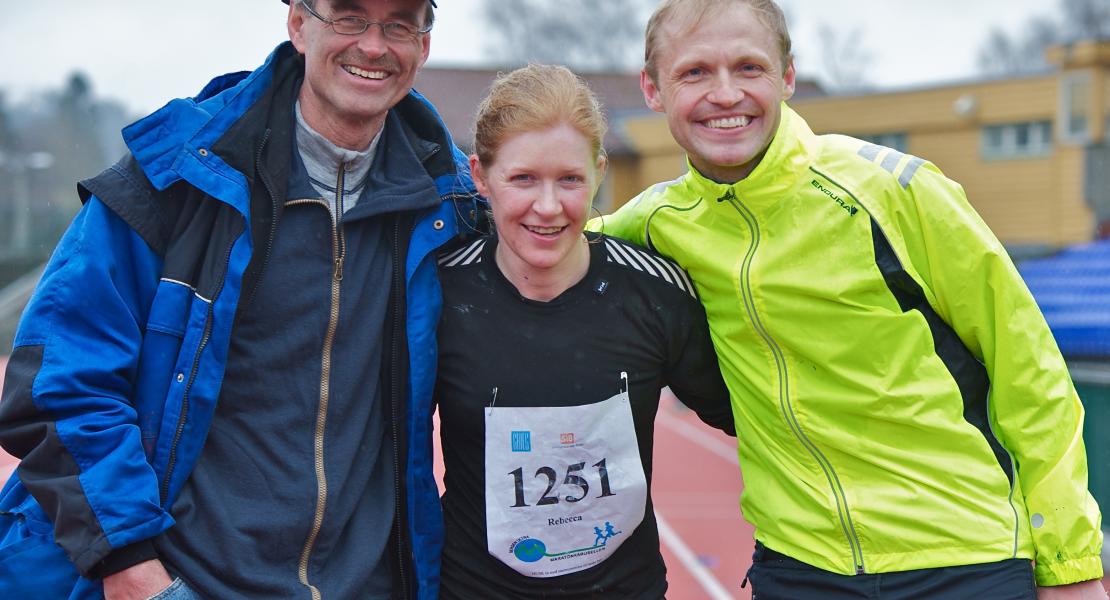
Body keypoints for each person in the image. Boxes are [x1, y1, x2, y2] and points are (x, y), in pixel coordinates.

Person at [596, 0, 1107, 598]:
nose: (726, 93)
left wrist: (1071, 563)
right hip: (800, 569)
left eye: (749, 68)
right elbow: (552, 238)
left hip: (964, 560)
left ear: (788, 76)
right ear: (652, 90)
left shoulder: (895, 189)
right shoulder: (657, 222)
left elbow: (1031, 370)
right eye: (694, 73)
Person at [0, 1, 480, 598]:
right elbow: (57, 386)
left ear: (425, 43)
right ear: (299, 24)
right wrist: (132, 569)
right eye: (349, 17)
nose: (375, 45)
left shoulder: (458, 208)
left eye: (400, 23)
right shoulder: (174, 179)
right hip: (182, 582)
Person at [433, 64, 735, 599]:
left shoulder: (653, 292)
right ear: (480, 177)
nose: (548, 207)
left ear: (598, 172)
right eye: (523, 178)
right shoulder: (438, 295)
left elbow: (753, 417)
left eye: (570, 180)